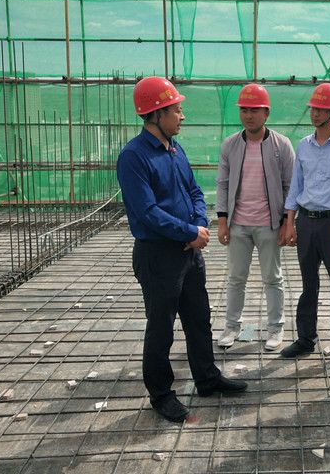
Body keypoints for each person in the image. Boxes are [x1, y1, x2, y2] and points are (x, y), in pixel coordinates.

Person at [116, 77, 247, 423]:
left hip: (189, 252)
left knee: (198, 318)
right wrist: (189, 231)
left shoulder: (176, 149)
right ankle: (161, 394)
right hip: (158, 255)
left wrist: (198, 225)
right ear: (156, 113)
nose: (182, 116)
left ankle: (207, 377)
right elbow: (147, 212)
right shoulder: (134, 157)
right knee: (161, 327)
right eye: (176, 109)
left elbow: (194, 191)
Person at [280, 83, 330, 372]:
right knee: (308, 285)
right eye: (313, 108)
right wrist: (290, 222)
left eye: (321, 109)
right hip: (306, 221)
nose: (315, 113)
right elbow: (296, 187)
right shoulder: (304, 145)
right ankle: (306, 339)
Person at [215, 83, 295, 351]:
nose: (248, 115)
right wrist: (223, 221)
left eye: (254, 110)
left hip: (269, 225)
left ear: (266, 113)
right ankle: (231, 327)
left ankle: (276, 328)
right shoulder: (230, 145)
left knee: (273, 278)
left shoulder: (281, 145)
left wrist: (287, 223)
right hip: (238, 224)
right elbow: (223, 184)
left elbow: (290, 186)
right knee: (236, 278)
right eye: (244, 110)